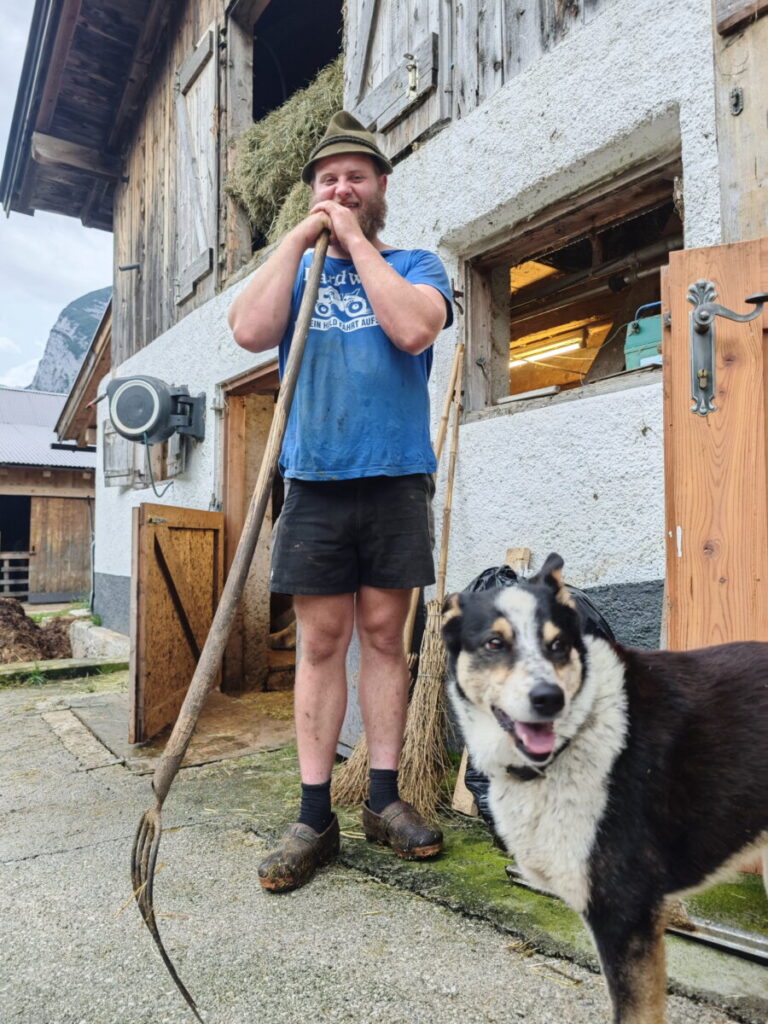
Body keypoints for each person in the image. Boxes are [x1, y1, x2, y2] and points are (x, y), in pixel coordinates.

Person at [228, 111, 453, 892]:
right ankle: (314, 814)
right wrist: (297, 242)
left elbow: (416, 331)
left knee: (386, 637)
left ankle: (384, 800)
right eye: (328, 180)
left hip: (393, 477)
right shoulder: (295, 273)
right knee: (322, 644)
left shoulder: (418, 263)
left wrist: (355, 242)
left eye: (355, 176)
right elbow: (247, 332)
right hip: (314, 480)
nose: (341, 187)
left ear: (381, 186)